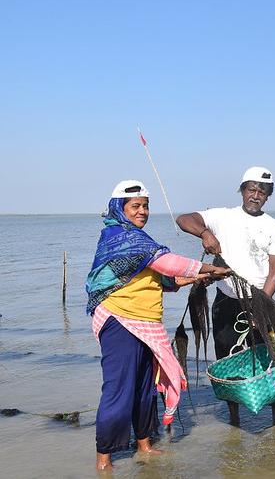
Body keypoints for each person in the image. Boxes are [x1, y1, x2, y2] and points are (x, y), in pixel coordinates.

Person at [86, 180, 230, 471]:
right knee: (118, 389)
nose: (143, 211)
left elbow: (168, 279)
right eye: (135, 206)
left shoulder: (140, 241)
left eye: (146, 206)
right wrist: (208, 267)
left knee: (145, 388)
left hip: (147, 325)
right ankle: (104, 457)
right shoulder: (119, 237)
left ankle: (144, 445)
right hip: (120, 320)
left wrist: (204, 277)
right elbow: (167, 263)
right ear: (120, 208)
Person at [176, 166, 275, 428]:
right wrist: (205, 233)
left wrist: (260, 309)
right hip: (226, 301)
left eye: (262, 191)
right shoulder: (221, 217)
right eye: (251, 189)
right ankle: (234, 418)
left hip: (261, 300)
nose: (255, 195)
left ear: (268, 196)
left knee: (270, 358)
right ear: (242, 191)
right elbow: (183, 219)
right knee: (227, 359)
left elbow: (274, 273)